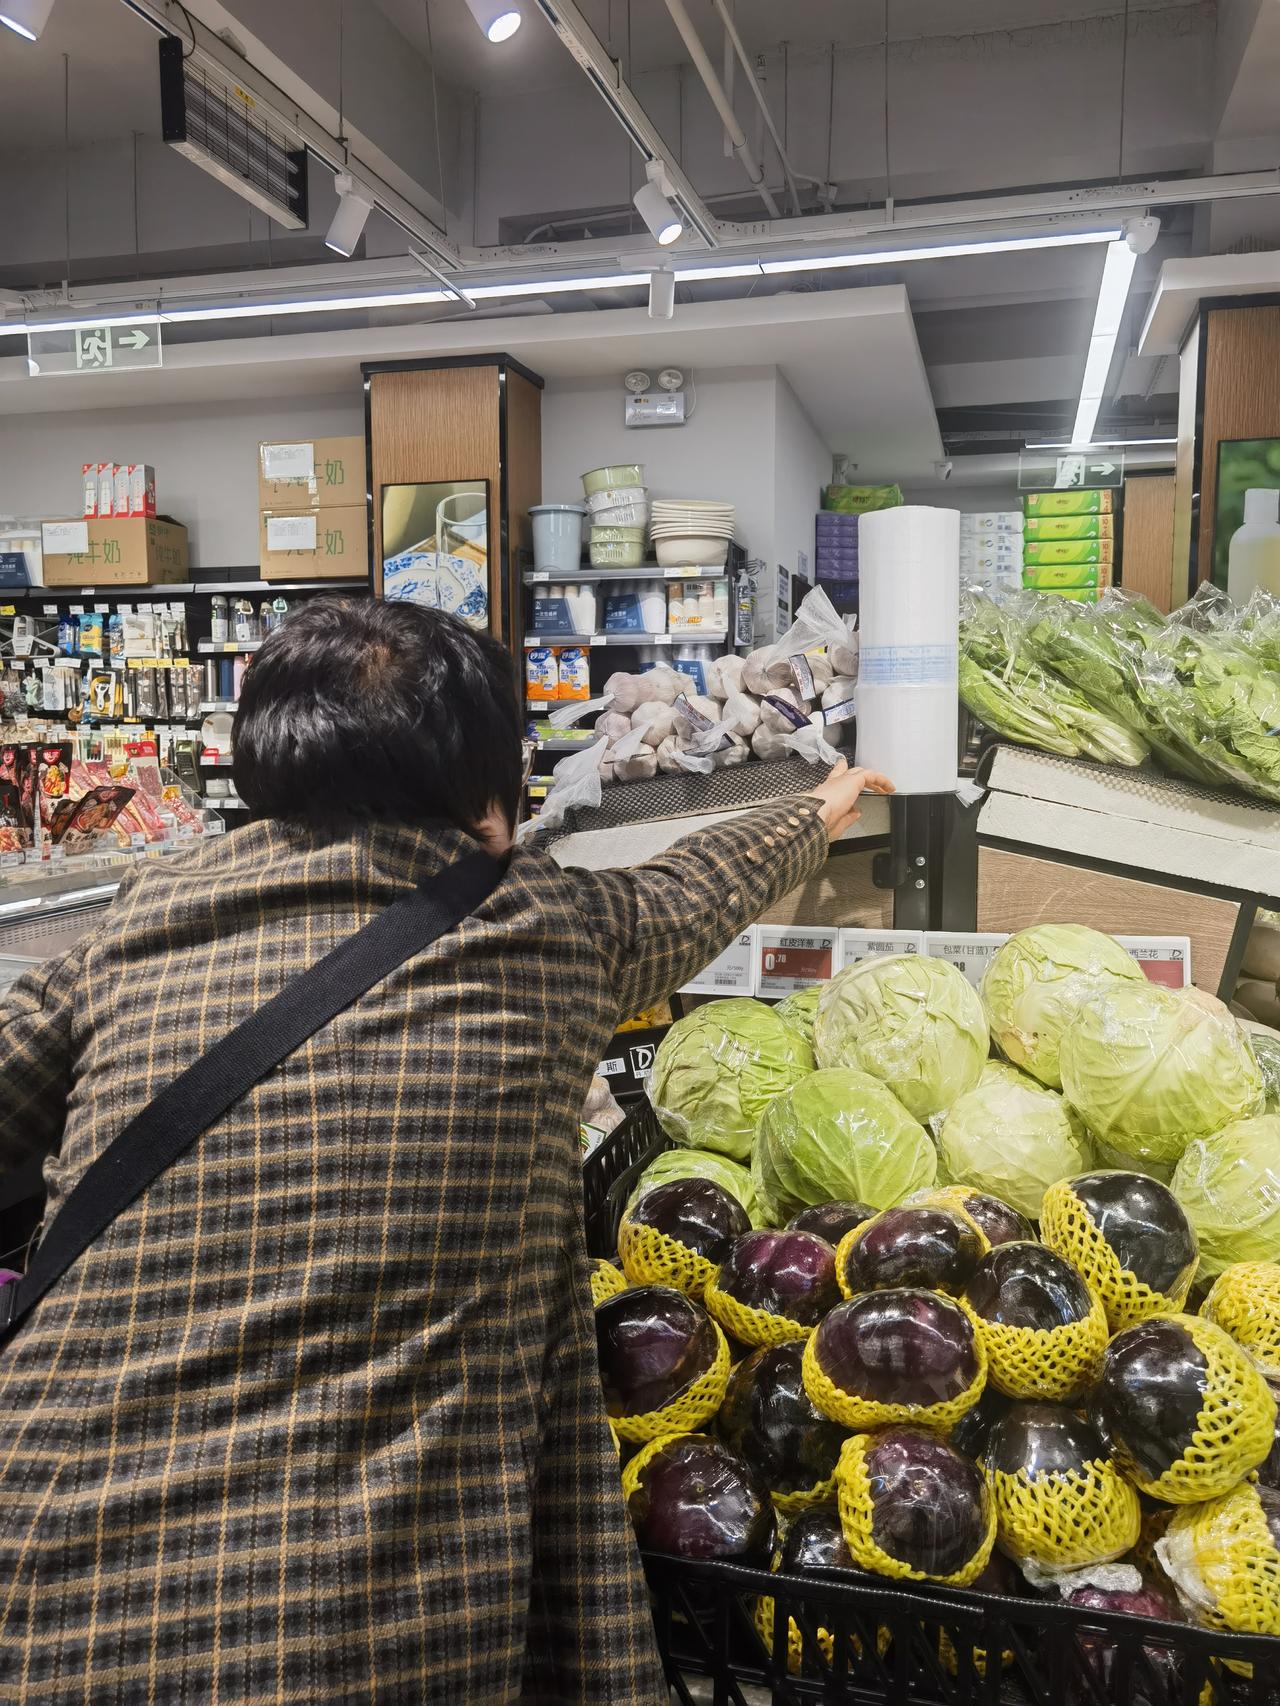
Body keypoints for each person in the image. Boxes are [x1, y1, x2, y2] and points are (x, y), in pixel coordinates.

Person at [0, 597, 892, 1705]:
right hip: (346, 1618)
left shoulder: (138, 915)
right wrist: (815, 806)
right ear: (487, 779)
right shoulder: (537, 925)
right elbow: (689, 891)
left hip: (45, 1562)